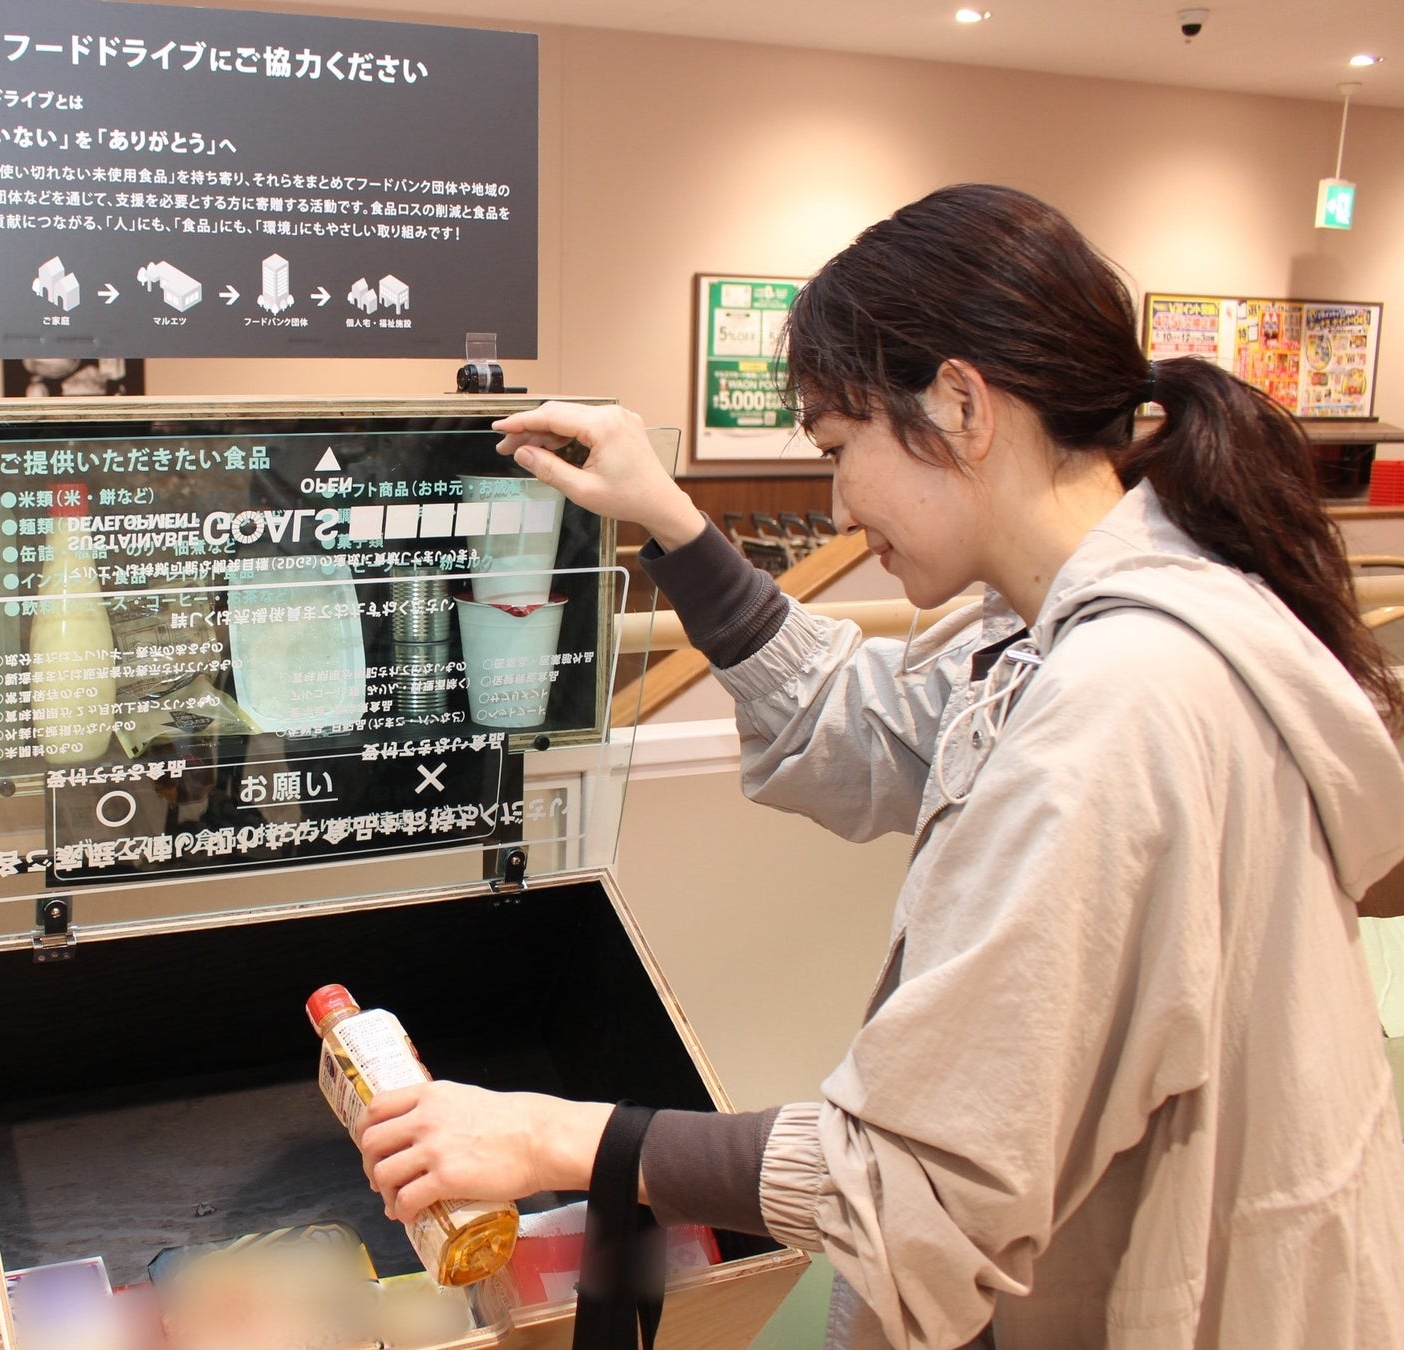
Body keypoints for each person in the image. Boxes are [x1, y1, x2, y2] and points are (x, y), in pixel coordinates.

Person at [357, 184, 1404, 1348]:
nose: (842, 502)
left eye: (838, 448)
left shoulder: (1118, 700)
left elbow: (908, 1182)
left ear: (960, 403)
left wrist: (551, 1136)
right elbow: (871, 722)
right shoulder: (1096, 626)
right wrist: (672, 522)